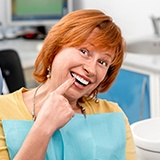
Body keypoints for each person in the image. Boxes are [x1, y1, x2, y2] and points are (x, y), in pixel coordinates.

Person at [0, 9, 137, 160]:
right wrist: (44, 127)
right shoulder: (3, 111)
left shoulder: (115, 116)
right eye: (84, 51)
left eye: (102, 62)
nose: (91, 69)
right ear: (55, 49)